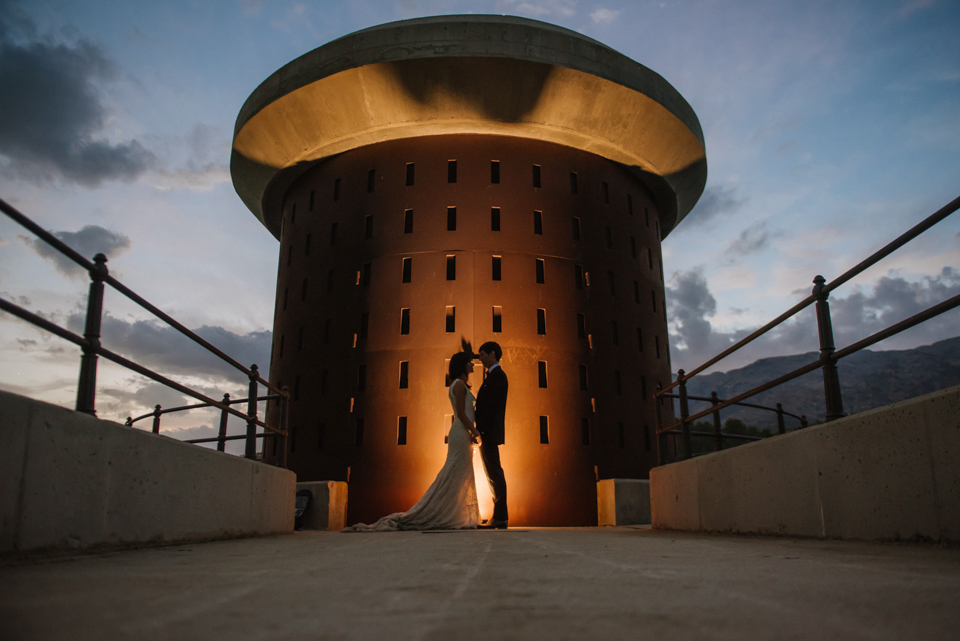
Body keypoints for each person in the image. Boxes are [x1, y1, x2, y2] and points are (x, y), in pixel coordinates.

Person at [343, 343, 481, 531]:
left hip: (462, 434)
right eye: (470, 363)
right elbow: (462, 414)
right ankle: (442, 512)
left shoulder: (460, 385)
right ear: (462, 365)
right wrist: (476, 432)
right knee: (454, 472)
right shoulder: (458, 385)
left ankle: (455, 513)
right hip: (460, 433)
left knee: (459, 473)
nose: (473, 366)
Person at [474, 341, 509, 529]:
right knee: (492, 473)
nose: (480, 359)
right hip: (488, 433)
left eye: (482, 355)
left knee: (494, 474)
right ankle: (499, 516)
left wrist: (482, 431)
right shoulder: (494, 376)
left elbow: (491, 408)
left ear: (492, 353)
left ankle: (501, 517)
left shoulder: (497, 376)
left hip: (489, 433)